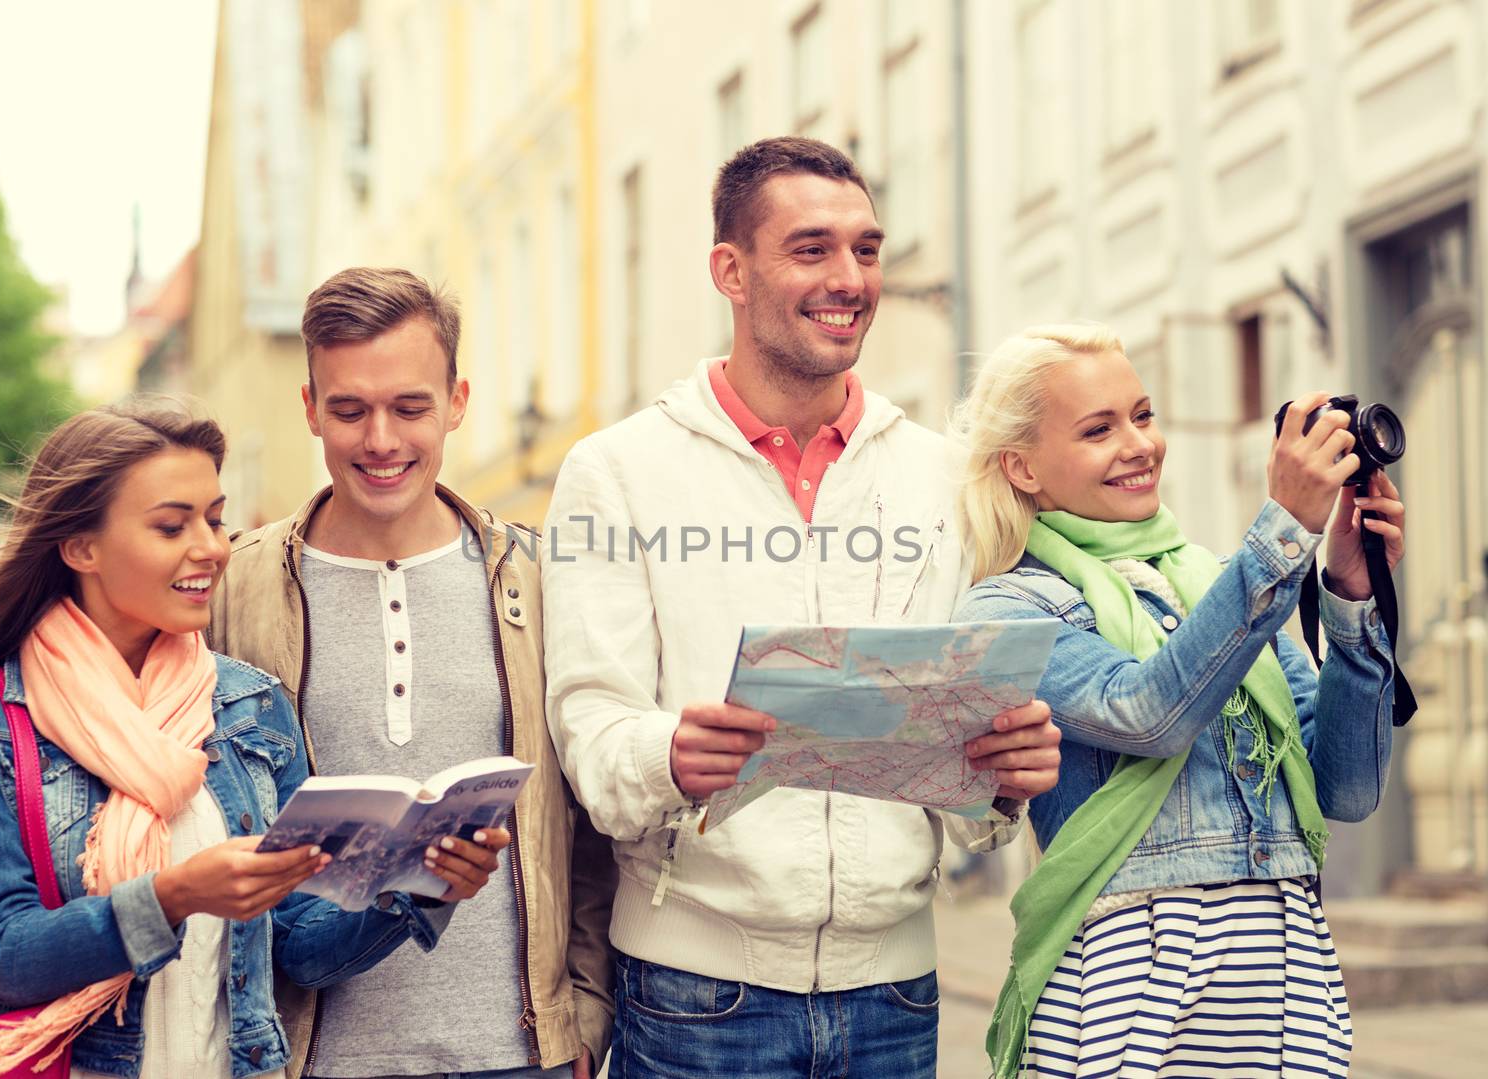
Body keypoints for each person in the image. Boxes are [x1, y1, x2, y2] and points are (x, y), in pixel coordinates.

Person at [539, 136, 1063, 1078]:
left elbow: (972, 789)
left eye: (866, 248)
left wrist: (1006, 776)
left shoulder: (943, 478)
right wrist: (669, 753)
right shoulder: (618, 472)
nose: (850, 277)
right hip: (698, 1000)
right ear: (729, 272)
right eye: (812, 248)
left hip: (898, 996)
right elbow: (590, 731)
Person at [0, 402, 505, 1078]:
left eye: (213, 517)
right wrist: (173, 896)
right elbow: (8, 955)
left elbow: (298, 947)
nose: (212, 547)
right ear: (80, 547)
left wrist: (423, 888)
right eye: (170, 525)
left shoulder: (248, 703)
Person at [950, 324, 1402, 1077]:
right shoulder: (1009, 609)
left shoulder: (1224, 583)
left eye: (1144, 414)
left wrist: (1353, 594)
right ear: (1021, 467)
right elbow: (1146, 713)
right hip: (1133, 988)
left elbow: (1346, 789)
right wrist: (1285, 531)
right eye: (1099, 429)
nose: (1139, 444)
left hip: (1285, 978)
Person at [209, 267, 615, 1079]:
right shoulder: (233, 585)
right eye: (351, 410)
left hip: (518, 1053)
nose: (381, 440)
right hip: (312, 1055)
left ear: (457, 401)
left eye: (410, 407)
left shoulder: (533, 577)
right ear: (311, 408)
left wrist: (587, 1012)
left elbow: (589, 825)